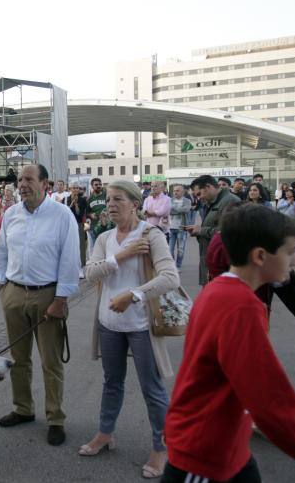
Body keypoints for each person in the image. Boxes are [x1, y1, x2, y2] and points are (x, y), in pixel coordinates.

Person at [163, 205, 295, 482]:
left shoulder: (217, 291)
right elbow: (270, 402)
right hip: (205, 452)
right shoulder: (242, 306)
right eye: (290, 252)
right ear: (260, 256)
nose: (294, 260)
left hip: (226, 442)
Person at [81, 180, 179, 479]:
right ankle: (105, 433)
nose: (110, 205)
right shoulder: (106, 237)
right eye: (109, 199)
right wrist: (121, 255)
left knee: (152, 388)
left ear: (135, 204)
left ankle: (161, 447)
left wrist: (133, 295)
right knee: (112, 382)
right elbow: (89, 274)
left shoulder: (152, 235)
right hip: (109, 324)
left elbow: (170, 278)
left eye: (118, 200)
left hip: (141, 325)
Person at [0, 164, 80, 447]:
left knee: (50, 361)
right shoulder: (11, 214)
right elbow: (2, 251)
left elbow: (70, 259)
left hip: (48, 296)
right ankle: (23, 408)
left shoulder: (61, 215)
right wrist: (2, 284)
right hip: (15, 293)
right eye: (20, 180)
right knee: (18, 359)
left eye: (29, 179)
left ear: (45, 184)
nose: (22, 184)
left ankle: (55, 418)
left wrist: (61, 299)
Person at [185, 175, 239, 285]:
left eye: (199, 194)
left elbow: (228, 233)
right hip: (212, 263)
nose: (199, 198)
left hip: (222, 266)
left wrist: (201, 231)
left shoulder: (230, 201)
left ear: (208, 187)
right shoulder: (213, 202)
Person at [168, 184, 191, 270]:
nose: (175, 192)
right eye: (174, 191)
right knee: (170, 250)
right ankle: (173, 266)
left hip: (181, 228)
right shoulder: (170, 200)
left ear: (183, 192)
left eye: (177, 191)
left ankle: (178, 265)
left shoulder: (187, 201)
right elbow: (168, 211)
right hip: (171, 228)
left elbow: (186, 210)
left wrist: (173, 208)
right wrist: (178, 210)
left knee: (180, 249)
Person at [67, 183, 88, 270]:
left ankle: (82, 266)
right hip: (69, 224)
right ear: (70, 189)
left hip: (79, 223)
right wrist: (72, 202)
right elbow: (66, 211)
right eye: (74, 188)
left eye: (77, 188)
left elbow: (80, 213)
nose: (75, 189)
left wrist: (76, 204)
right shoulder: (66, 199)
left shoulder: (82, 200)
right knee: (69, 245)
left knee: (81, 245)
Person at [87, 178, 109, 257]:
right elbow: (86, 213)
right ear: (92, 186)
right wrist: (90, 215)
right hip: (95, 226)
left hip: (107, 225)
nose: (98, 186)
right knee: (94, 246)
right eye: (96, 185)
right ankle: (94, 263)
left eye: (100, 184)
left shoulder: (106, 195)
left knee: (107, 245)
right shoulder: (89, 199)